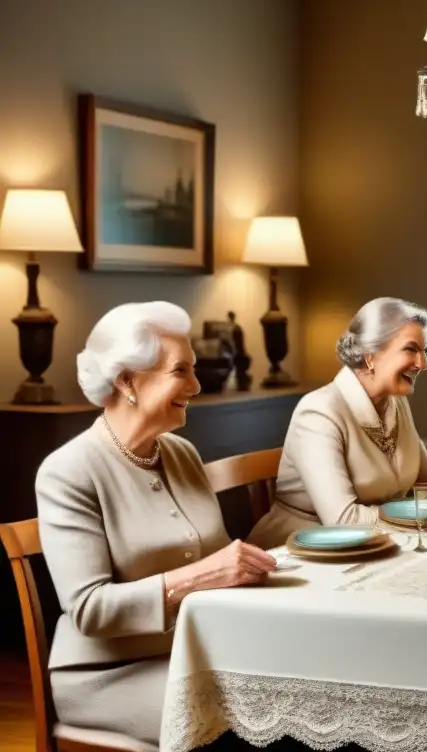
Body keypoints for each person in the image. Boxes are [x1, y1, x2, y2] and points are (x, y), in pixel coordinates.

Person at [36, 302, 278, 746]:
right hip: (107, 676)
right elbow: (89, 609)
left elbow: (221, 562)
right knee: (251, 725)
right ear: (127, 379)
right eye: (180, 370)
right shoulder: (68, 471)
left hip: (193, 655)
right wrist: (199, 577)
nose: (197, 384)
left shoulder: (181, 453)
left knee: (303, 697)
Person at [248, 297, 427, 549]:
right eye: (411, 349)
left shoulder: (397, 403)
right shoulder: (318, 411)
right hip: (300, 549)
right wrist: (413, 513)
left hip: (379, 540)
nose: (423, 364)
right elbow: (343, 520)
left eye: (424, 351)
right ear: (371, 356)